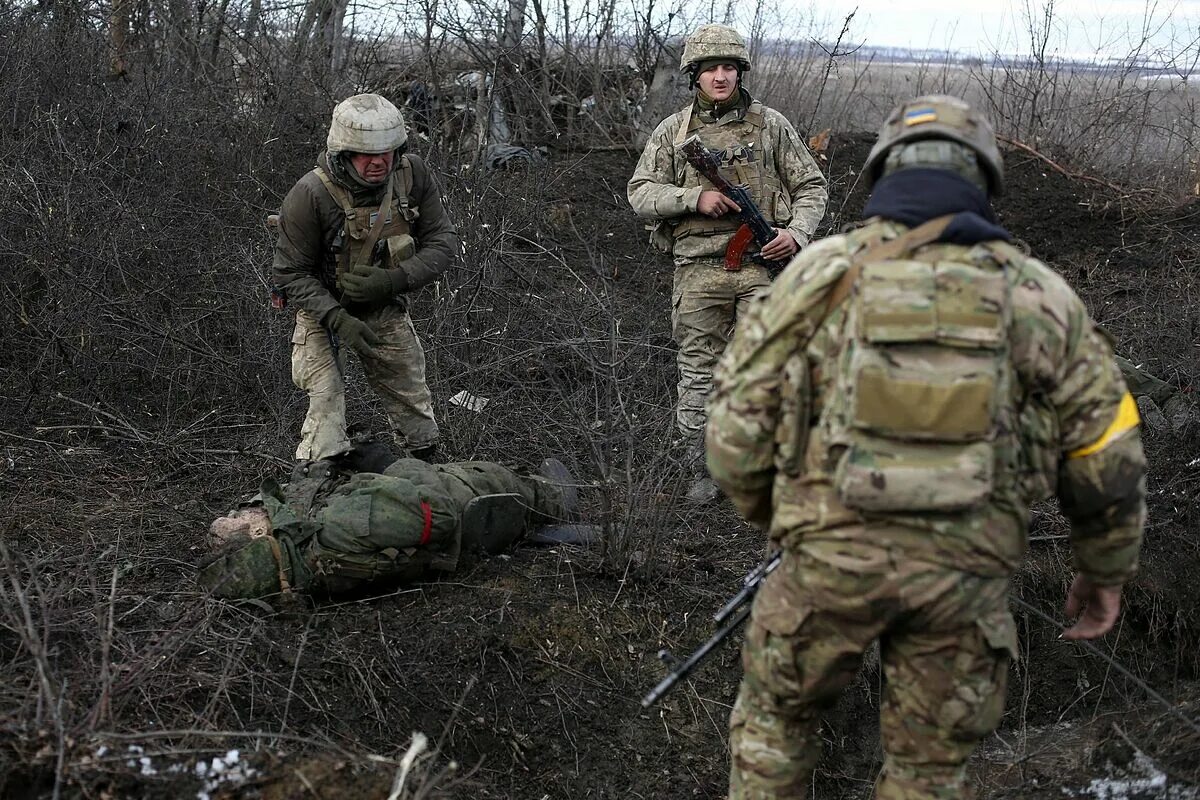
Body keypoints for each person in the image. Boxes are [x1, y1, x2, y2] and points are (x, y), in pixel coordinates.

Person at [706, 95, 1146, 798]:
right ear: (985, 179)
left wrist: (790, 521)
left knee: (775, 730)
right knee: (929, 771)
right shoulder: (1038, 295)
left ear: (885, 174)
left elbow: (731, 426)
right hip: (963, 582)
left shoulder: (822, 275)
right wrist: (1104, 568)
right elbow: (1107, 448)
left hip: (827, 566)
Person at [627, 24, 828, 504]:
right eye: (711, 69)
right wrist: (694, 197)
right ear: (694, 75)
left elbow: (812, 187)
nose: (721, 77)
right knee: (698, 370)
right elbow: (640, 192)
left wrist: (794, 234)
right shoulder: (674, 132)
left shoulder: (771, 126)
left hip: (760, 268)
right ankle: (697, 465)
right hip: (697, 270)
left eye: (729, 68)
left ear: (740, 72)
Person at [273, 93, 459, 463]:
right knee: (325, 404)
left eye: (386, 152)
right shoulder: (310, 194)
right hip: (324, 310)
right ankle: (318, 484)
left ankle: (420, 475)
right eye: (365, 154)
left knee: (413, 404)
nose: (378, 163)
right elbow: (289, 272)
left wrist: (394, 281)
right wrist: (336, 318)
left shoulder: (412, 175)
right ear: (343, 153)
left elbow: (443, 241)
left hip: (383, 305)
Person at [198, 447, 582, 599]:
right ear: (259, 533)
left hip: (437, 517)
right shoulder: (336, 528)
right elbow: (441, 512)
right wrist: (385, 462)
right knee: (491, 480)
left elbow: (295, 502)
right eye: (232, 520)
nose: (234, 512)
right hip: (473, 506)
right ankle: (551, 502)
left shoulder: (297, 552)